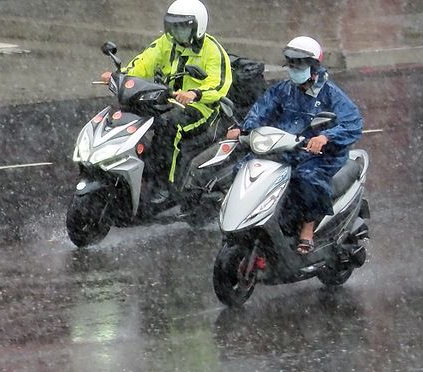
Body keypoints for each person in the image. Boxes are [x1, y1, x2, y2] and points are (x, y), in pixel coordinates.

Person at [227, 36, 363, 254]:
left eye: (299, 65)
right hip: (286, 149)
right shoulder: (283, 90)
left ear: (314, 67)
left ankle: (307, 228)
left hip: (321, 156)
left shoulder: (331, 94)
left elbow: (353, 123)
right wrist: (244, 129)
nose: (294, 70)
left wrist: (326, 137)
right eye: (291, 65)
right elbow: (261, 110)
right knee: (245, 167)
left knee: (307, 178)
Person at [101, 0, 232, 201]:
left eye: (183, 26)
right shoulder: (166, 42)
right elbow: (144, 62)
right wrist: (120, 77)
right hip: (167, 100)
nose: (176, 31)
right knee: (128, 114)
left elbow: (219, 84)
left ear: (198, 26)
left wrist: (195, 93)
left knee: (171, 127)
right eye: (173, 25)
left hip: (201, 108)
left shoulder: (212, 51)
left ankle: (165, 186)